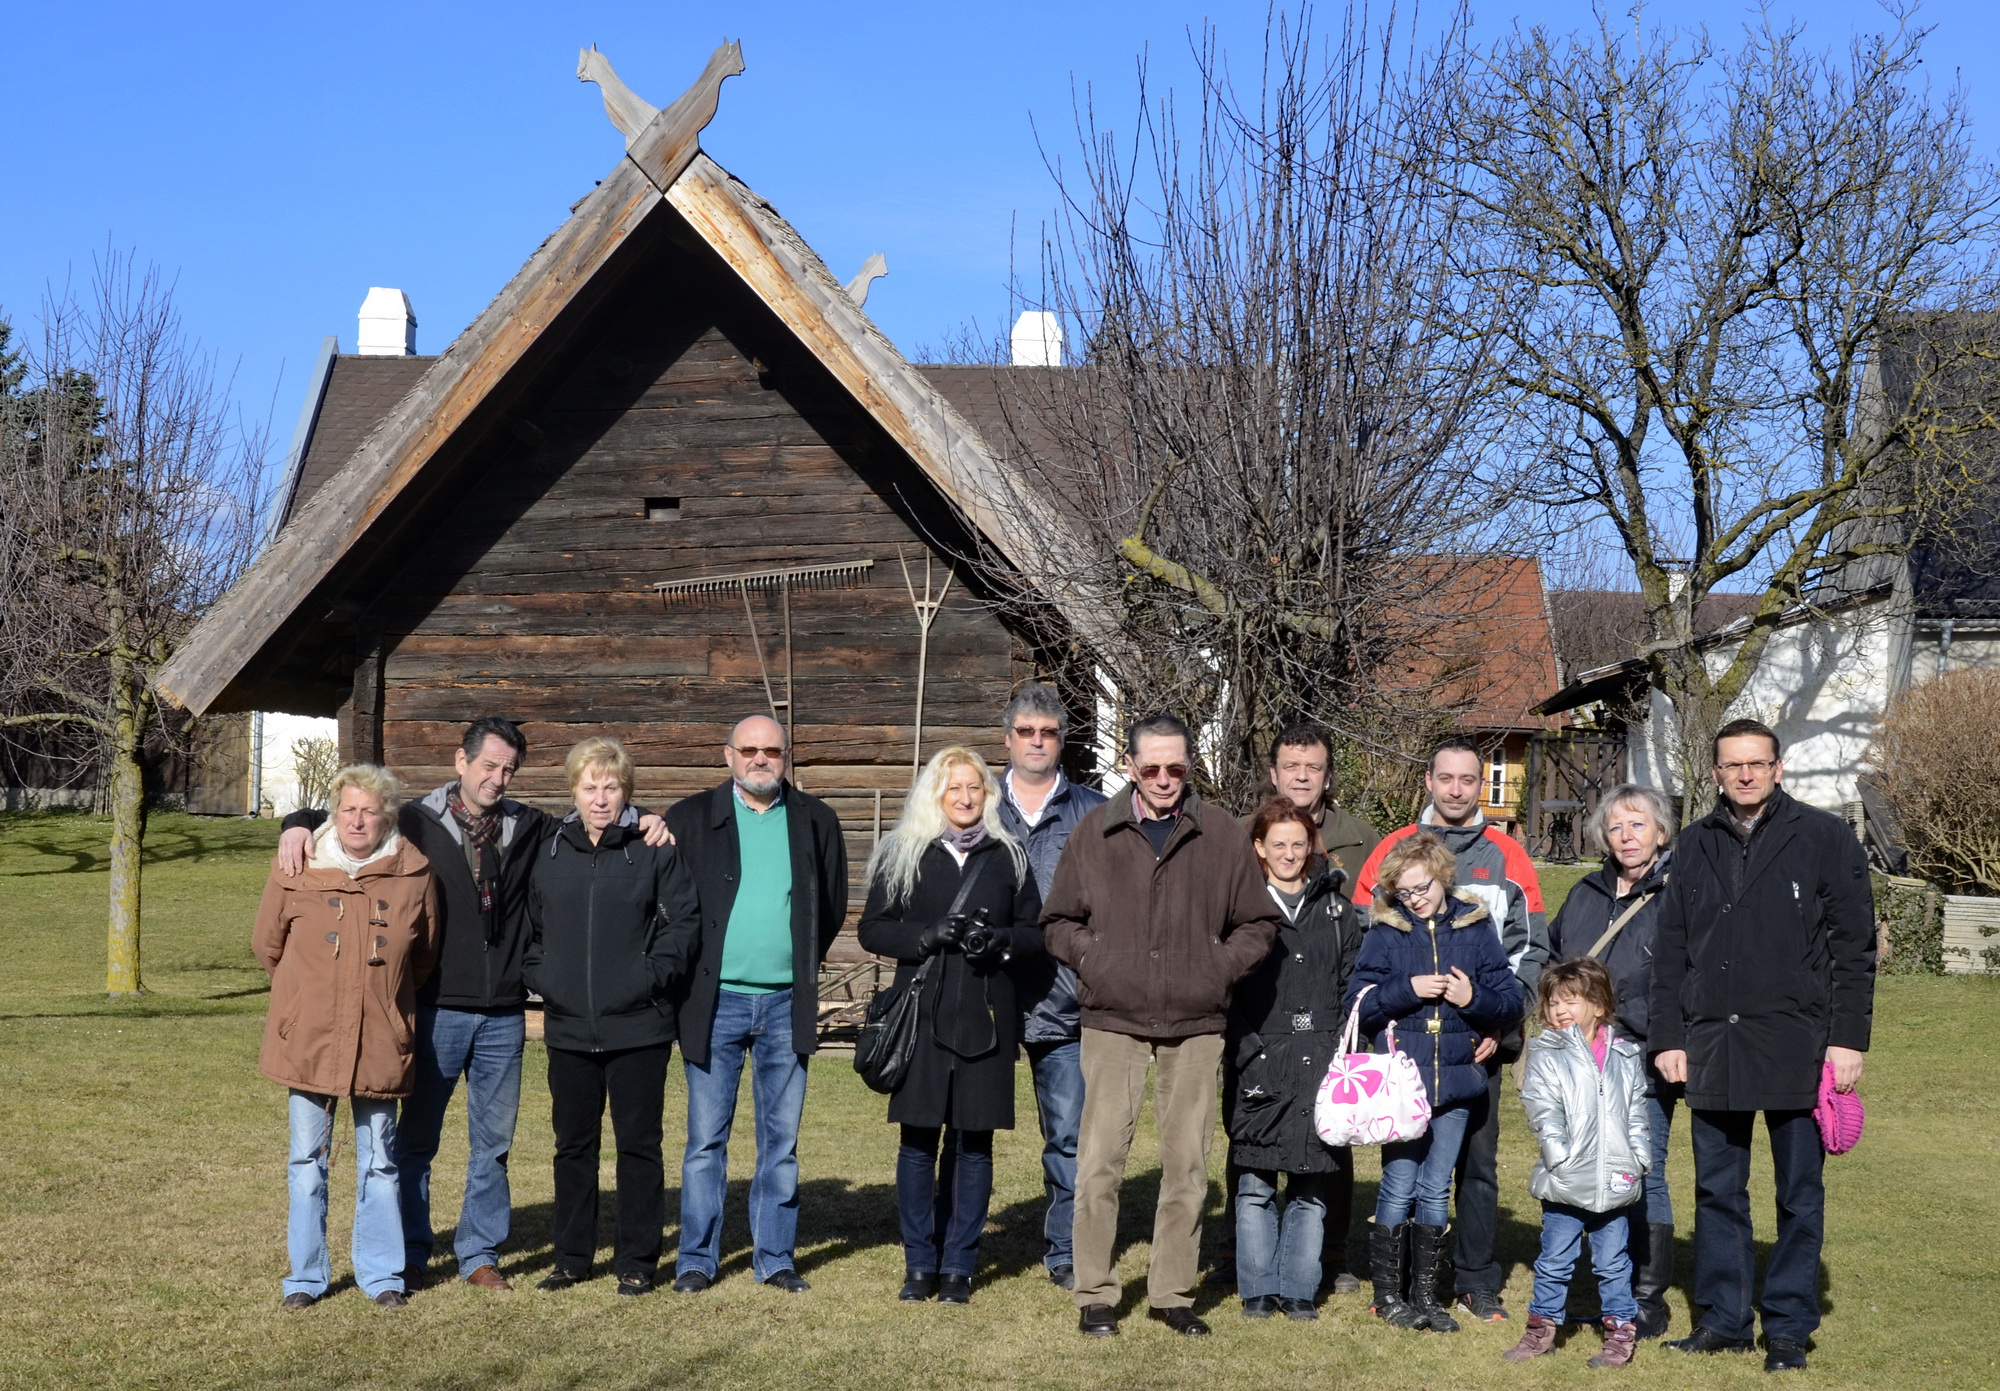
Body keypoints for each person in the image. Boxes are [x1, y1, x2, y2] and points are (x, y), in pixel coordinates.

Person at [276, 718, 671, 1291]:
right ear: (460, 763)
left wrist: (649, 818)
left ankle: (479, 1254)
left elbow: (600, 815)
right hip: (436, 1009)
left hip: (504, 1013)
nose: (498, 778)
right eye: (488, 765)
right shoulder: (413, 821)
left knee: (494, 1144)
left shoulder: (530, 826)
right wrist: (295, 824)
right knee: (416, 1141)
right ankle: (411, 1252)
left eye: (509, 769)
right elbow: (351, 818)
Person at [1042, 713, 1281, 1339]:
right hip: (1112, 1017)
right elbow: (1058, 921)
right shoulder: (1094, 832)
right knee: (1099, 1160)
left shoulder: (1223, 836)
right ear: (1130, 766)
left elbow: (1257, 924)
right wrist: (1097, 960)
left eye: (1176, 767)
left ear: (1189, 767)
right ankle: (1095, 1293)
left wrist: (1217, 968)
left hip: (1197, 1020)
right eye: (1152, 767)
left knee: (1187, 1165)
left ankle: (1172, 1293)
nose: (1165, 778)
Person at [1650, 719, 1875, 1373]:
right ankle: (1724, 1319)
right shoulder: (1692, 844)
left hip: (1798, 1043)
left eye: (1757, 762)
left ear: (1779, 767)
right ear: (1716, 772)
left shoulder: (1825, 838)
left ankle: (1786, 1327)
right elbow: (1671, 950)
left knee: (1798, 1195)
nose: (1745, 774)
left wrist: (1846, 1039)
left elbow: (1852, 947)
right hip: (1713, 1041)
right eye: (1732, 764)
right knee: (1719, 1189)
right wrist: (1669, 1036)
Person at [1353, 735, 1548, 1321]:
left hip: (1479, 1043)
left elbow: (1528, 951)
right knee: (1406, 1172)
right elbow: (1364, 956)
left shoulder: (1508, 855)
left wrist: (1498, 1021)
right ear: (1430, 781)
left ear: (1479, 783)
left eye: (1469, 779)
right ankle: (1401, 1287)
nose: (1458, 789)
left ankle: (1474, 1278)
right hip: (1406, 1049)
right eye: (1446, 778)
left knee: (1475, 1168)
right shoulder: (1391, 852)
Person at [665, 714, 848, 1295]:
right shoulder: (690, 818)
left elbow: (833, 903)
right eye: (749, 750)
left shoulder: (815, 820)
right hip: (713, 1001)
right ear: (728, 756)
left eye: (772, 750)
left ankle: (774, 1257)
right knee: (705, 1141)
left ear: (787, 756)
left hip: (784, 1004)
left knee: (781, 1142)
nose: (761, 759)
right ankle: (696, 1258)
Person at [857, 747, 1045, 1304]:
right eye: (953, 787)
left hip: (986, 1019)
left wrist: (1005, 942)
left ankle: (960, 1265)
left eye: (975, 788)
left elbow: (1038, 934)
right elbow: (872, 929)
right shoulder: (906, 853)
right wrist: (926, 935)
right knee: (918, 1144)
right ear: (933, 794)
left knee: (974, 1146)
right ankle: (920, 1264)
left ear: (987, 796)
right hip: (922, 1018)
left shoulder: (1008, 856)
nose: (965, 798)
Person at [255, 764, 439, 1310]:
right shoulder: (298, 865)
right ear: (335, 812)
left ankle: (382, 1276)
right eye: (349, 808)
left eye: (370, 810)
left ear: (388, 818)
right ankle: (306, 1278)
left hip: (381, 1040)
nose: (358, 820)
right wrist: (304, 1001)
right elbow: (267, 945)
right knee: (306, 1162)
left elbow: (422, 958)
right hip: (308, 1038)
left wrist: (382, 1005)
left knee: (380, 1159)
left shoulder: (415, 875)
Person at [524, 737, 701, 1296]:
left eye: (611, 786)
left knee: (638, 1147)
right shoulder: (548, 849)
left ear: (627, 790)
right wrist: (546, 978)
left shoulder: (653, 846)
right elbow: (529, 930)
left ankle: (637, 1261)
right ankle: (572, 1258)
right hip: (570, 1027)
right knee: (573, 1147)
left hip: (639, 1027)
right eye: (589, 786)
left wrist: (647, 979)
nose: (600, 798)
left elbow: (683, 925)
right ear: (573, 789)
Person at [1215, 721, 1381, 1295]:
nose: (1303, 776)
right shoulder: (1237, 851)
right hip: (1260, 1038)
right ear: (1274, 773)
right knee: (1252, 1155)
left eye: (1313, 767)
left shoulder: (1359, 844)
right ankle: (1247, 1265)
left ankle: (1324, 1261)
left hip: (1324, 1042)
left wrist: (1349, 1040)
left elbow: (1358, 960)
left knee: (1325, 1155)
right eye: (1292, 767)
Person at [1345, 831, 1523, 1335]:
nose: (1416, 898)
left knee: (1435, 1187)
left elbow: (1510, 1001)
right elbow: (1357, 1003)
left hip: (1458, 1083)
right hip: (1404, 1084)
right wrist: (1407, 989)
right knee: (1399, 1184)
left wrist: (1474, 999)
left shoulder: (1475, 926)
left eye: (1422, 887)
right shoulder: (1386, 932)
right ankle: (1388, 1293)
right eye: (1404, 892)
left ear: (1443, 878)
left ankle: (1425, 1293)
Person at [1546, 783, 1678, 1337]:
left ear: (1661, 832)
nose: (1627, 836)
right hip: (1578, 1063)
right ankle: (1601, 1290)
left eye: (1638, 825)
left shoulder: (1677, 896)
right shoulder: (1584, 893)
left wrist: (1615, 1017)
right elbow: (1554, 961)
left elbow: (1683, 980)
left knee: (1642, 1170)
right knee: (1578, 1165)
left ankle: (1646, 1298)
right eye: (1617, 826)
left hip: (1638, 1059)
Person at [1223, 799, 1361, 1322]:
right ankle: (1258, 1288)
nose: (1288, 853)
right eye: (1277, 844)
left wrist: (1345, 1051)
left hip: (1321, 1060)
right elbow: (1225, 987)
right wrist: (1246, 1047)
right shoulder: (1238, 909)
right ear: (1259, 848)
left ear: (1311, 847)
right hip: (1258, 1057)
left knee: (1310, 1183)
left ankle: (1300, 1288)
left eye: (1297, 844)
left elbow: (1354, 984)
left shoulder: (1337, 909)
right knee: (1256, 1182)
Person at [992, 682, 1106, 1291]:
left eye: (1049, 732)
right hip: (986, 997)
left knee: (1068, 1135)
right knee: (967, 1130)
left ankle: (1066, 1249)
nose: (1038, 742)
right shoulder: (972, 801)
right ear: (1007, 738)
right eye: (1027, 732)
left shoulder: (1093, 810)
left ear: (1062, 740)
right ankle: (954, 1245)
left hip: (1067, 997)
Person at [1502, 957, 1651, 1369]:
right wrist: (1559, 1158)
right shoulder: (1547, 1053)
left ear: (1599, 1005)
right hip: (1565, 1179)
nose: (1559, 1010)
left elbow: (1636, 1112)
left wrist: (1640, 1159)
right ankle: (1540, 1332)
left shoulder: (1624, 1055)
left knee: (1613, 1262)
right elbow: (1541, 1108)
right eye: (1552, 1003)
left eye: (1570, 1001)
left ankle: (1619, 1335)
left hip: (1616, 1180)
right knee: (1554, 1260)